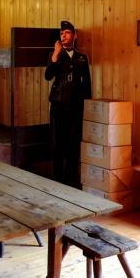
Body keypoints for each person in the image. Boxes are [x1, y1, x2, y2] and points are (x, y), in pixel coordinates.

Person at [45, 20, 91, 189]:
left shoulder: (81, 58)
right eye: (61, 33)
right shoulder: (55, 55)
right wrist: (55, 57)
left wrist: (87, 105)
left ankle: (72, 178)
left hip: (75, 106)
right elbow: (47, 76)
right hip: (58, 104)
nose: (63, 35)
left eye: (67, 33)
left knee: (73, 142)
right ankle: (58, 178)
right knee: (58, 142)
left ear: (75, 35)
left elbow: (87, 84)